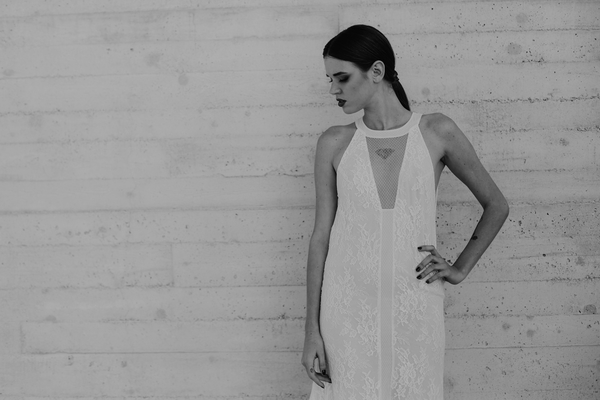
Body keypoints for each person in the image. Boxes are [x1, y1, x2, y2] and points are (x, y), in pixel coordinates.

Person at [301, 25, 509, 399]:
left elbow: (496, 205)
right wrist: (311, 330)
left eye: (342, 78)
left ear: (376, 71)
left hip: (416, 304)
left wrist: (459, 269)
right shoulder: (334, 142)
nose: (333, 89)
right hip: (346, 309)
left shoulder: (436, 131)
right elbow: (321, 238)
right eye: (330, 79)